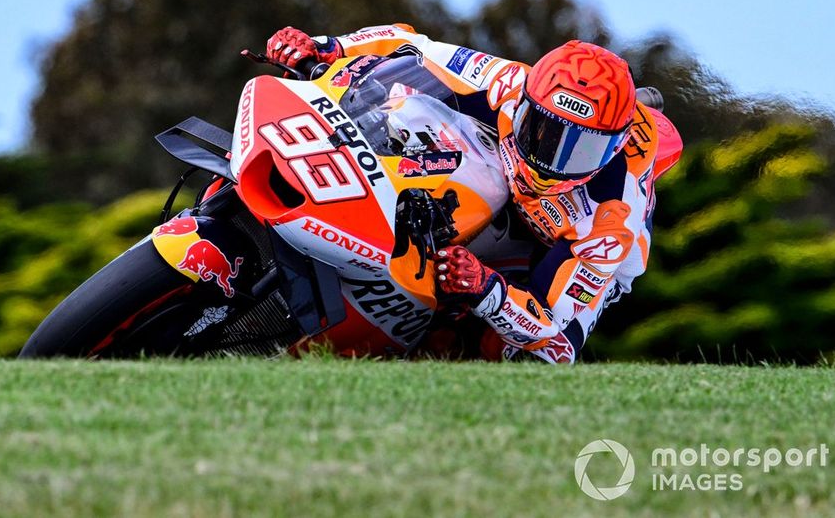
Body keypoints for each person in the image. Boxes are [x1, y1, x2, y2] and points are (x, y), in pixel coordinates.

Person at [265, 24, 663, 363]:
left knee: (535, 355)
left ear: (612, 149)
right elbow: (409, 43)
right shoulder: (506, 82)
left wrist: (487, 288)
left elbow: (548, 324)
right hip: (502, 189)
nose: (551, 160)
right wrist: (326, 46)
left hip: (562, 247)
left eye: (580, 150)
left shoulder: (612, 219)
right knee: (415, 111)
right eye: (542, 131)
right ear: (525, 103)